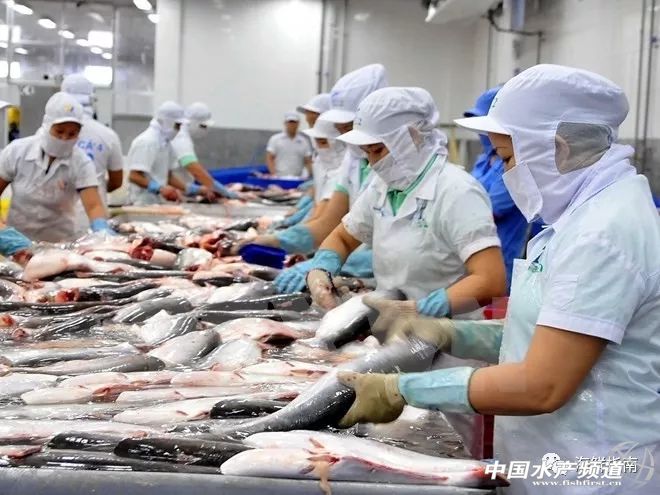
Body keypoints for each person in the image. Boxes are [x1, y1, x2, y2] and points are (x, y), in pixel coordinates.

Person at [337, 65, 660, 494]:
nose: (504, 173)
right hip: (557, 459)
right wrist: (451, 333)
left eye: (507, 158)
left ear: (558, 149)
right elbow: (546, 332)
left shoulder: (602, 234)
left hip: (592, 471)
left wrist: (402, 389)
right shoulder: (582, 217)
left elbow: (542, 385)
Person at [304, 86, 505, 320]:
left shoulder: (457, 191)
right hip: (390, 326)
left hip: (446, 334)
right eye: (367, 152)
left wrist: (419, 310)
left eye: (378, 150)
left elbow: (490, 280)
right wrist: (322, 269)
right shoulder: (381, 186)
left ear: (413, 137)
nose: (372, 163)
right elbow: (343, 237)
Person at [247, 64, 389, 287]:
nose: (346, 135)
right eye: (340, 128)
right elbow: (330, 222)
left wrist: (327, 264)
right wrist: (280, 240)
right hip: (355, 274)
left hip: (380, 277)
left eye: (348, 127)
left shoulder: (397, 169)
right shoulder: (354, 160)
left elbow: (401, 250)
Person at [0, 92, 113, 242]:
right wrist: (2, 231)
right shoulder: (17, 151)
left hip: (60, 243)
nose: (64, 138)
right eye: (59, 132)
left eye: (72, 134)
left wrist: (101, 228)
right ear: (47, 125)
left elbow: (93, 206)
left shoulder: (81, 162)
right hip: (16, 240)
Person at [464, 86, 527, 290]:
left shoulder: (512, 164)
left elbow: (490, 210)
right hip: (471, 254)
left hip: (503, 255)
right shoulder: (484, 159)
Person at [61, 74, 124, 235]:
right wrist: (96, 188)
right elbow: (116, 181)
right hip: (93, 217)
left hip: (58, 219)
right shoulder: (107, 135)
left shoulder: (47, 134)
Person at [170, 102, 240, 200]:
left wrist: (199, 189)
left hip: (181, 192)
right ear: (192, 123)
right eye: (203, 126)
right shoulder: (181, 139)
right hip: (172, 194)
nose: (205, 130)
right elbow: (194, 169)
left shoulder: (183, 136)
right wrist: (222, 190)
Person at [127, 101, 190, 205]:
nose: (178, 130)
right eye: (177, 125)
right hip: (140, 203)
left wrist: (191, 190)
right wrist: (160, 189)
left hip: (156, 202)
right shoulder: (147, 142)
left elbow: (168, 176)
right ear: (167, 121)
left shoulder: (165, 143)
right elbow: (134, 176)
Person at [265, 112, 313, 177]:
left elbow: (308, 161)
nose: (292, 125)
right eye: (290, 122)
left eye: (294, 122)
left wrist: (308, 174)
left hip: (297, 178)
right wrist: (274, 174)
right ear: (285, 123)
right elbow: (270, 158)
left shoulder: (304, 141)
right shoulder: (275, 139)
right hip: (279, 177)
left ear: (298, 124)